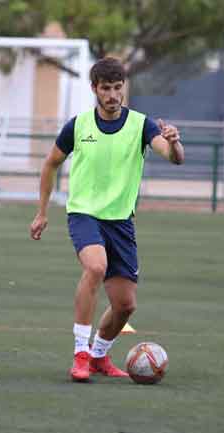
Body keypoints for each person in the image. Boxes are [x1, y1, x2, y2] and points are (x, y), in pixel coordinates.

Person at [29, 57, 184, 383]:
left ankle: (99, 355)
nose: (113, 95)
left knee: (125, 306)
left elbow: (172, 157)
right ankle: (81, 355)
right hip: (84, 214)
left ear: (123, 87)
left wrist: (174, 142)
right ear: (94, 89)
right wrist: (42, 212)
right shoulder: (78, 125)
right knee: (95, 267)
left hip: (121, 222)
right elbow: (50, 165)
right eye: (106, 89)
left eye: (117, 88)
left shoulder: (141, 125)